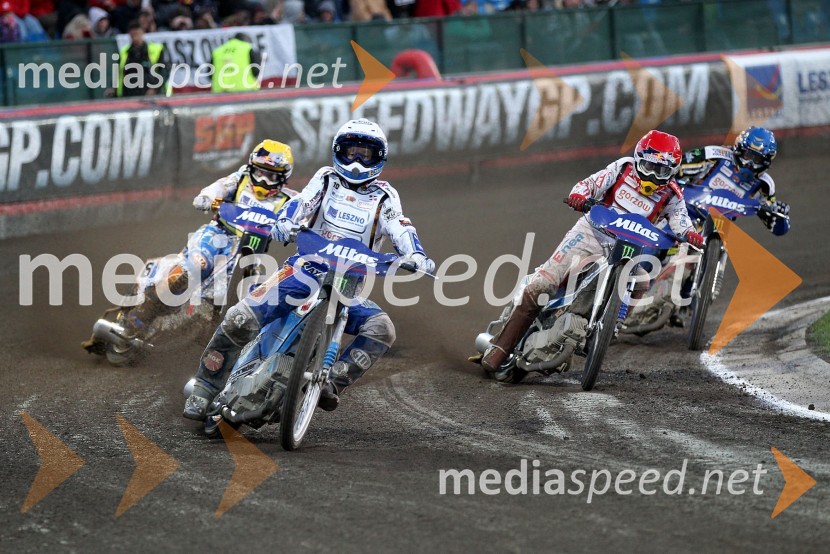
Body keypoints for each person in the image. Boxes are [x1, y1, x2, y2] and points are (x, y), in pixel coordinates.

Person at [183, 119, 435, 421]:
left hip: (349, 288)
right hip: (304, 271)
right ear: (338, 152)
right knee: (239, 318)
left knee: (382, 330)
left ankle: (327, 383)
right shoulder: (327, 179)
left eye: (365, 155)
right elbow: (303, 202)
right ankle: (205, 388)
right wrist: (286, 222)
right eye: (351, 152)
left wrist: (415, 254)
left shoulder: (384, 196)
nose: (356, 161)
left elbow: (400, 225)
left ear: (379, 158)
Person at [481, 130, 704, 373]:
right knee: (542, 286)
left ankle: (611, 327)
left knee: (641, 281)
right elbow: (591, 183)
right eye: (649, 166)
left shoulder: (672, 194)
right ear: (639, 159)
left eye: (661, 171)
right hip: (590, 235)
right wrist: (580, 195)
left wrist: (690, 234)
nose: (653, 175)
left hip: (628, 249)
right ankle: (499, 348)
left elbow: (680, 221)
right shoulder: (622, 168)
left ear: (672, 171)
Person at [82, 140, 297, 354]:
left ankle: (221, 350)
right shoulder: (239, 179)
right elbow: (216, 189)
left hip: (249, 254)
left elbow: (306, 218)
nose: (262, 180)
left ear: (282, 178)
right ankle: (138, 318)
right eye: (259, 173)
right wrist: (208, 198)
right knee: (196, 266)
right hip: (217, 236)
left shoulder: (290, 200)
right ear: (251, 168)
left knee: (253, 301)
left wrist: (301, 230)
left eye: (270, 176)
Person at [677, 126, 790, 236]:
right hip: (685, 211)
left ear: (766, 161)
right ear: (739, 149)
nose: (750, 163)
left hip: (721, 228)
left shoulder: (765, 184)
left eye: (757, 159)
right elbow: (677, 168)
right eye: (748, 155)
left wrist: (779, 214)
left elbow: (777, 228)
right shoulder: (714, 154)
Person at [116, 21, 170, 97]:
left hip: (151, 95)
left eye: (137, 34)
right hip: (129, 94)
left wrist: (154, 88)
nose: (135, 38)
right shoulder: (124, 52)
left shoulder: (156, 50)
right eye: (132, 35)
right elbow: (118, 73)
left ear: (142, 33)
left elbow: (164, 72)